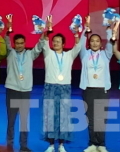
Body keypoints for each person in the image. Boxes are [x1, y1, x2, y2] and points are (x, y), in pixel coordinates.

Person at [40, 16, 85, 152]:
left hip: (64, 88)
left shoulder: (69, 55)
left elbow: (78, 46)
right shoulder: (48, 53)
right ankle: (50, 145)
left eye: (58, 41)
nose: (55, 43)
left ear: (63, 44)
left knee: (63, 117)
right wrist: (47, 30)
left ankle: (61, 145)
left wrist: (76, 34)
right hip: (50, 87)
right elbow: (44, 41)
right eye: (54, 41)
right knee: (50, 116)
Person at [3, 17, 43, 152]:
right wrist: (7, 31)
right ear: (14, 44)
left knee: (24, 121)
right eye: (17, 43)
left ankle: (23, 146)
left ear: (25, 43)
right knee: (11, 120)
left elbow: (39, 46)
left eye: (21, 43)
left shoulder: (30, 54)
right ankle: (9, 146)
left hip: (25, 91)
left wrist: (44, 34)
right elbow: (6, 41)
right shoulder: (11, 53)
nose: (19, 45)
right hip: (12, 90)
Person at [79, 17, 115, 152]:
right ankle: (93, 144)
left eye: (97, 41)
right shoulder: (84, 54)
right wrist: (85, 29)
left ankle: (102, 144)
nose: (94, 43)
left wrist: (108, 29)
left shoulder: (106, 55)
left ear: (101, 44)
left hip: (102, 90)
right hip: (88, 89)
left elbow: (111, 43)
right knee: (91, 119)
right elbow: (81, 44)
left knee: (101, 118)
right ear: (89, 43)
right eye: (92, 41)